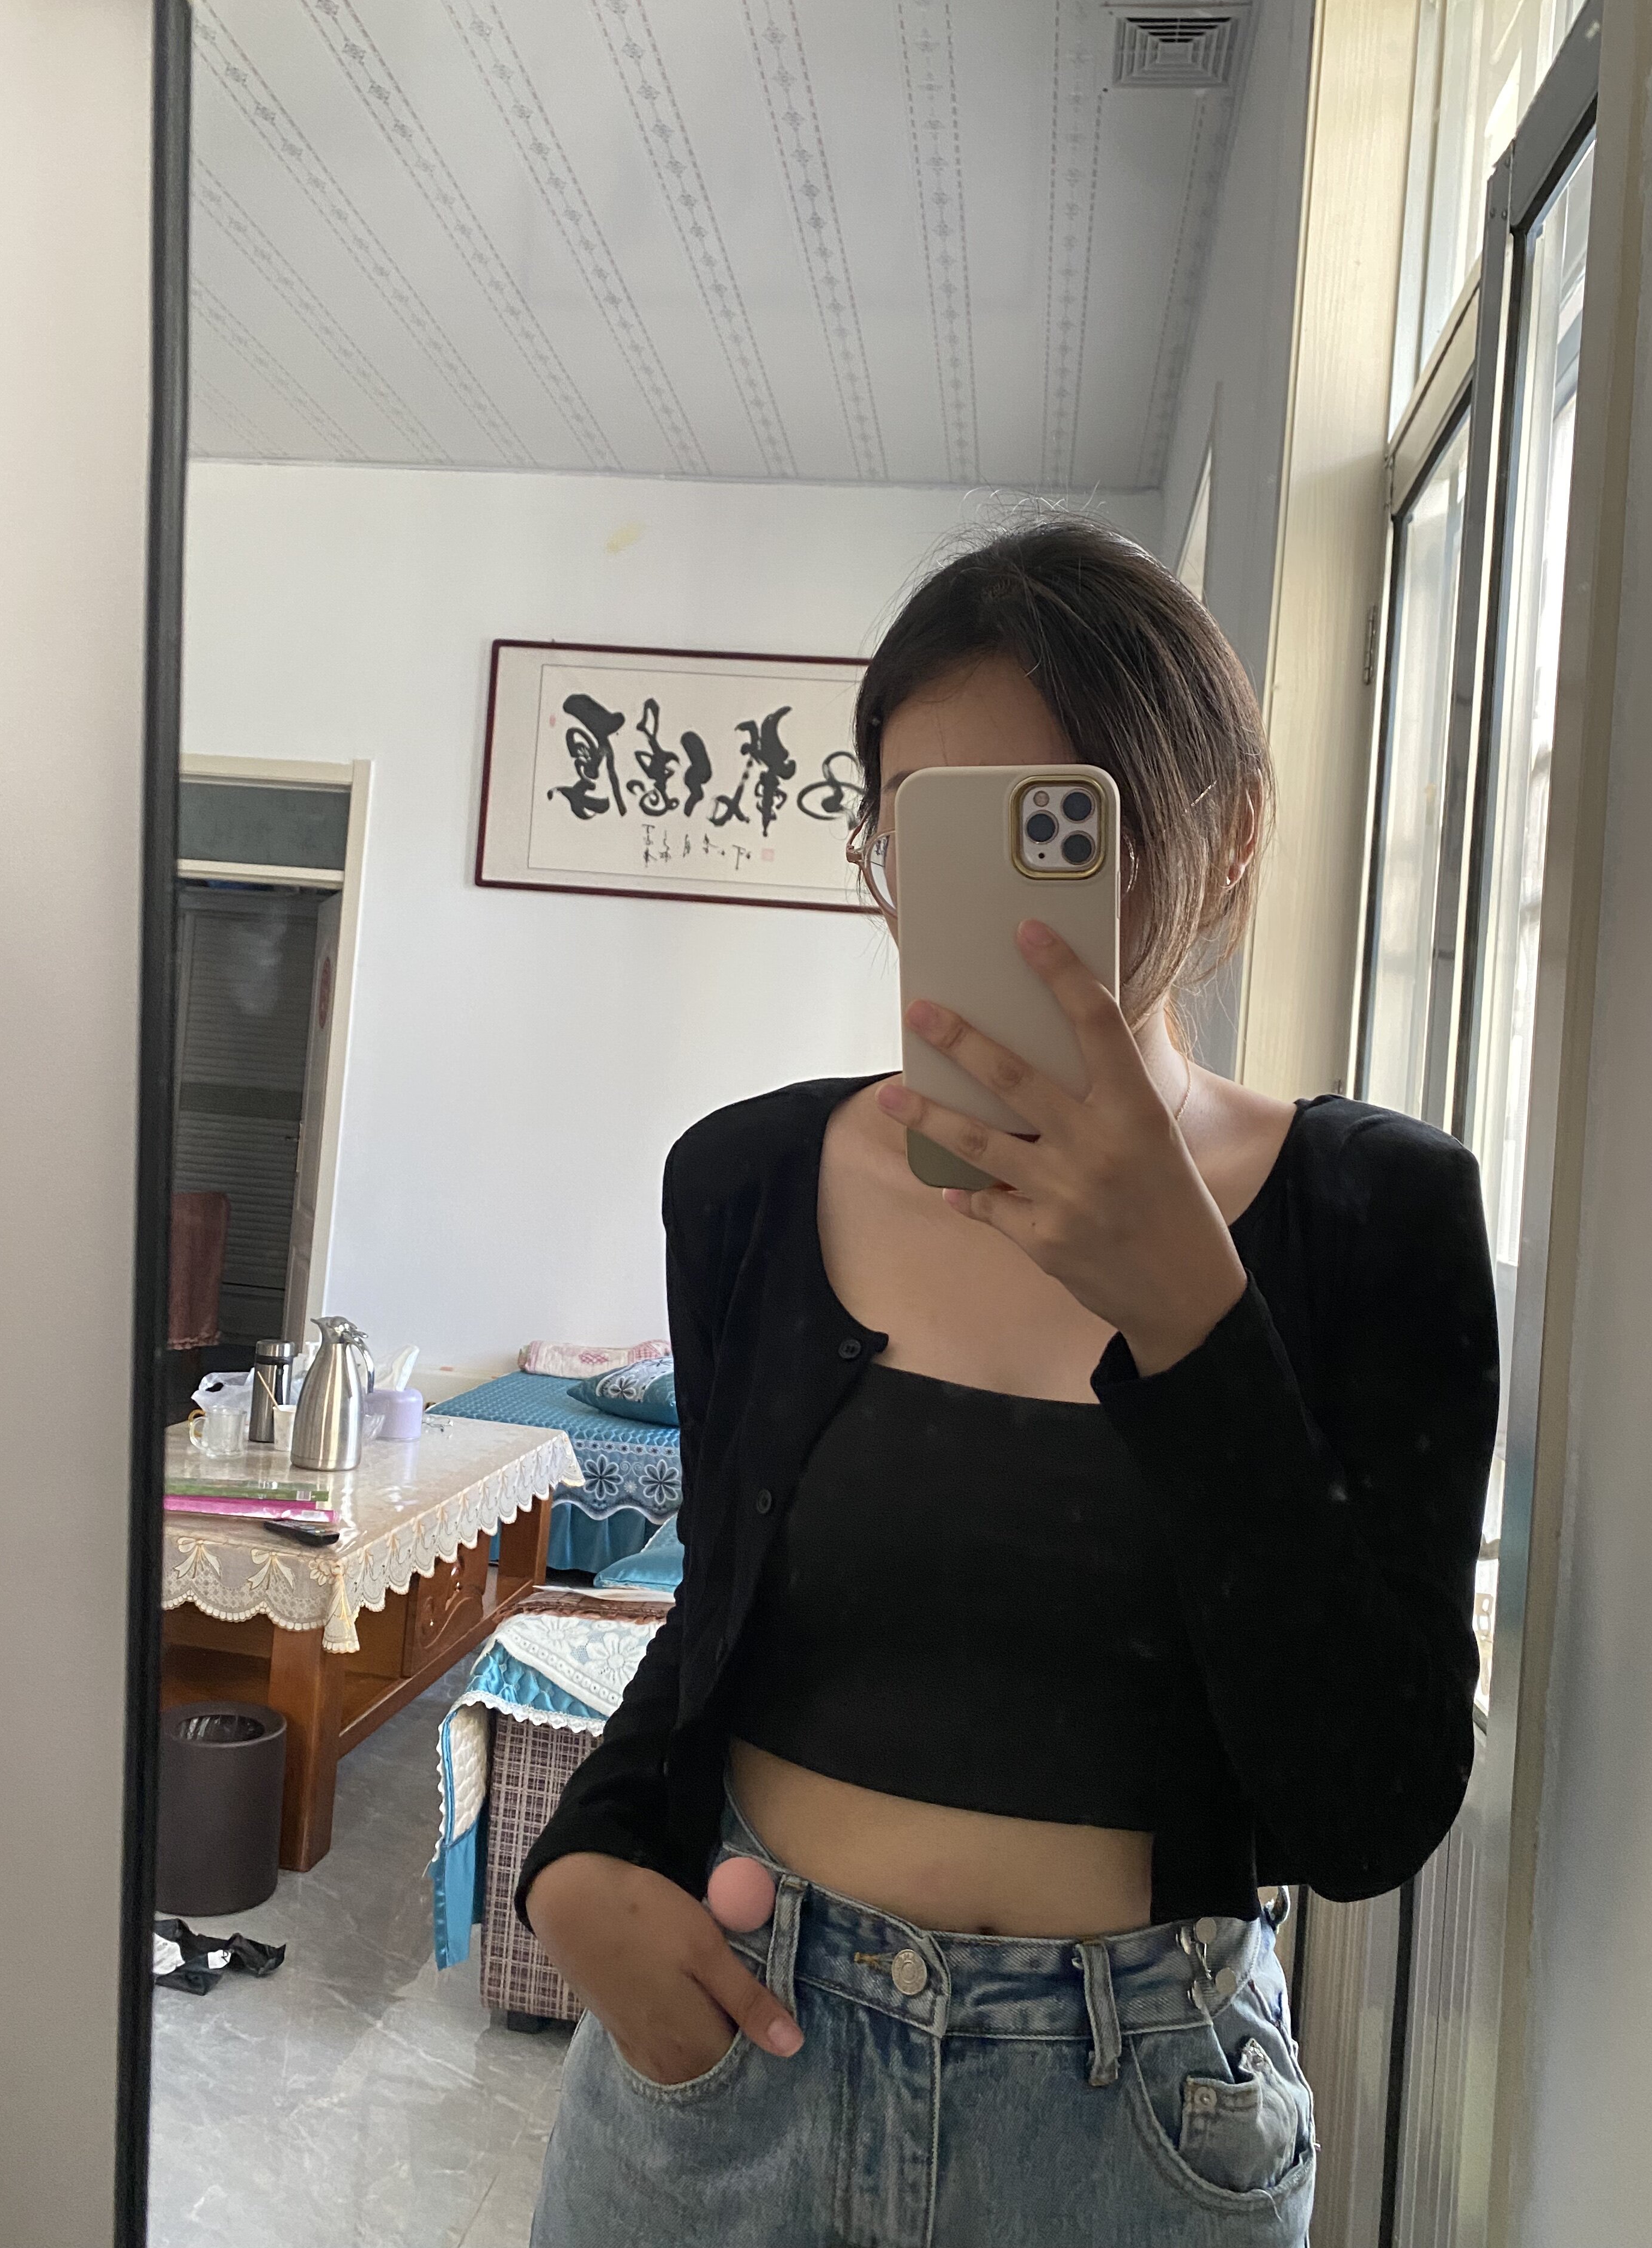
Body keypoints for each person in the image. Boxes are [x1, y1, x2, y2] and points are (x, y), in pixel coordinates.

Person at [520, 516, 1500, 2248]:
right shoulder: (747, 1183)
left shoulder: (1375, 1219)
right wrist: (583, 1857)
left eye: (1058, 823)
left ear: (1226, 834)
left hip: (1133, 2133)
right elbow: (722, 1610)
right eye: (927, 831)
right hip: (734, 2070)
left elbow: (1367, 1811)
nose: (994, 902)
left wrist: (1191, 1314)